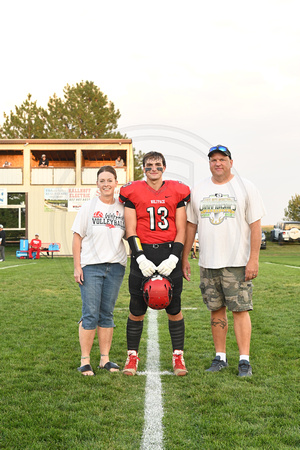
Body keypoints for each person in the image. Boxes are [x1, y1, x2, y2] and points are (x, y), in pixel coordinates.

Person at [182, 145, 265, 377]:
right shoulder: (199, 189)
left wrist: (253, 259)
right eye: (213, 160)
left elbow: (255, 226)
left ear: (231, 162)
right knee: (216, 310)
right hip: (208, 262)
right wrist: (185, 257)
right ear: (209, 163)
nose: (217, 163)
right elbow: (191, 226)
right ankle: (220, 357)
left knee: (240, 309)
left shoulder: (245, 187)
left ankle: (244, 360)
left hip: (237, 262)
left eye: (222, 159)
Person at [119, 151, 190, 376]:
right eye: (149, 165)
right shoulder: (133, 191)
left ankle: (178, 356)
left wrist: (175, 257)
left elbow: (181, 229)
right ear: (143, 169)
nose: (153, 169)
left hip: (169, 252)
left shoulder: (177, 190)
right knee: (136, 309)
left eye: (158, 165)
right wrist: (139, 257)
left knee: (174, 308)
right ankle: (132, 356)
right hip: (143, 252)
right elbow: (130, 229)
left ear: (164, 167)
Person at [72, 166, 127, 376]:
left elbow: (129, 233)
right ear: (97, 183)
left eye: (110, 180)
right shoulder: (88, 207)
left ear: (116, 183)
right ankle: (85, 360)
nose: (106, 184)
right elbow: (77, 236)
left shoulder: (122, 208)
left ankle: (105, 359)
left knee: (107, 314)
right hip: (91, 267)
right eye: (102, 180)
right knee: (90, 314)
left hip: (115, 267)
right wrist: (77, 266)